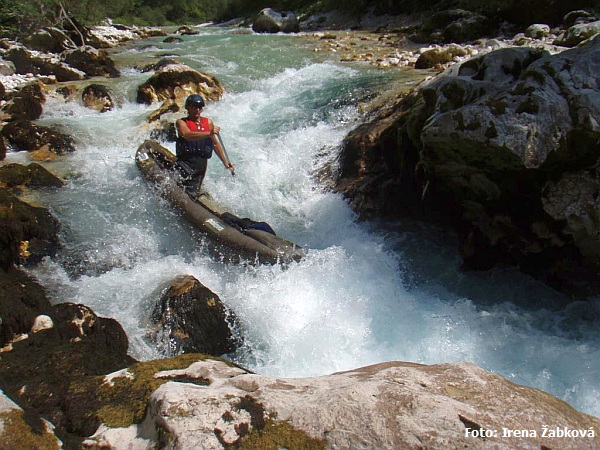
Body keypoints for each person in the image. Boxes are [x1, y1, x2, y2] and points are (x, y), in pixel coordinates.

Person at [175, 94, 235, 197]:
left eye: (199, 107)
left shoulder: (208, 123)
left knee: (194, 189)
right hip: (185, 161)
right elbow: (187, 135)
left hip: (201, 163)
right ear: (188, 107)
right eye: (194, 107)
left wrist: (225, 163)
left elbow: (215, 145)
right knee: (181, 183)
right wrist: (209, 133)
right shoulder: (181, 122)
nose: (197, 110)